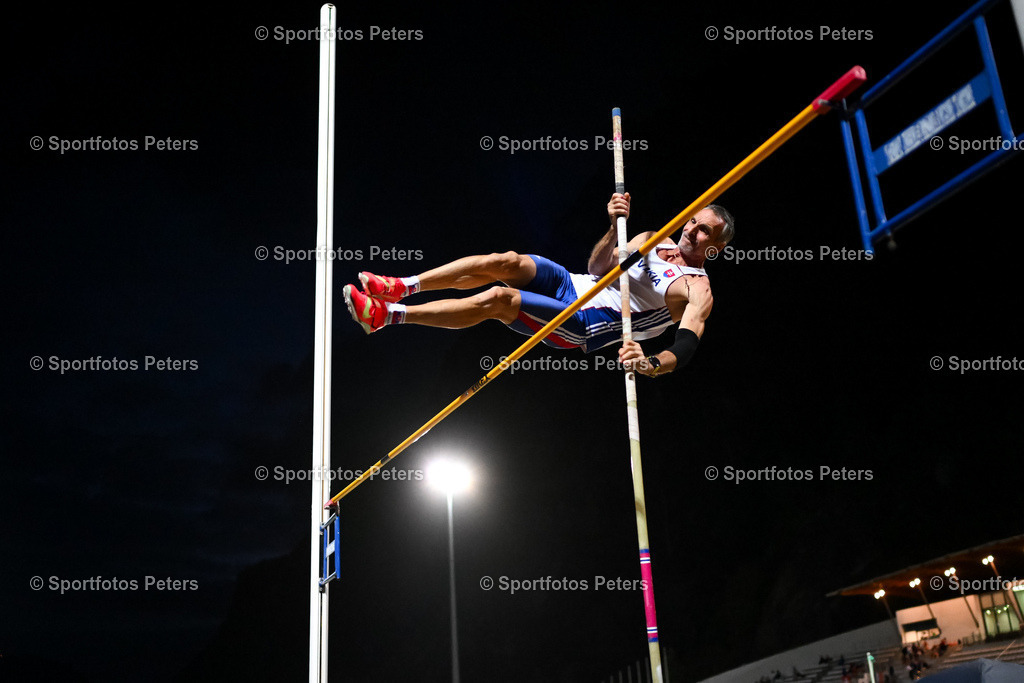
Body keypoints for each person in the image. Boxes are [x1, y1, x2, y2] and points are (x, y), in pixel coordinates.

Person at [343, 193, 734, 377]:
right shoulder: (654, 238)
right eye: (693, 221)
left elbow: (685, 346)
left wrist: (649, 365)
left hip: (587, 322)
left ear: (715, 248)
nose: (692, 230)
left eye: (705, 232)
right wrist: (614, 227)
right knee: (505, 262)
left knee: (499, 298)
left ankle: (386, 316)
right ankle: (401, 286)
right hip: (575, 283)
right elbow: (598, 266)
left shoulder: (696, 288)